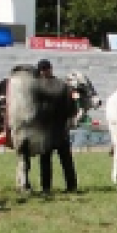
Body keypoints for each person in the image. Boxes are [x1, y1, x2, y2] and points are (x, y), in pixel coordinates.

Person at [35, 59, 78, 194]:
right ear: (51, 69)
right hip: (60, 128)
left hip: (45, 130)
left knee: (45, 161)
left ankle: (46, 188)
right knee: (66, 160)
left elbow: (34, 109)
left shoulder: (36, 87)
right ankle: (71, 186)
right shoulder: (63, 86)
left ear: (41, 71)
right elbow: (72, 108)